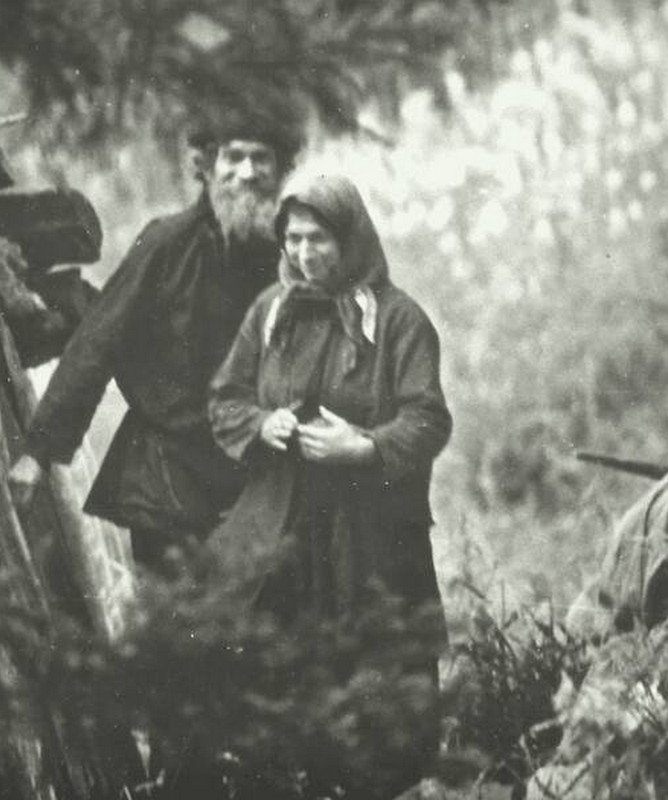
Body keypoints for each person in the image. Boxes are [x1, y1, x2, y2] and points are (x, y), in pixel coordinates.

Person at [208, 172, 452, 798]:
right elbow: (225, 398)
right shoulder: (272, 313)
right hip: (288, 533)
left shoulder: (397, 321)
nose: (304, 253)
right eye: (293, 239)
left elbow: (428, 419)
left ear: (351, 239)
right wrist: (262, 423)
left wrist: (364, 447)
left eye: (319, 239)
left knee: (382, 683)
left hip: (372, 538)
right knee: (294, 685)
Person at [7, 110, 300, 577]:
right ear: (206, 166)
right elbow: (97, 342)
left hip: (255, 485)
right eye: (234, 157)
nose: (247, 173)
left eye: (261, 159)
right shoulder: (167, 243)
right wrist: (38, 452)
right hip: (168, 483)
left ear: (282, 170)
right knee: (173, 616)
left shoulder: (294, 257)